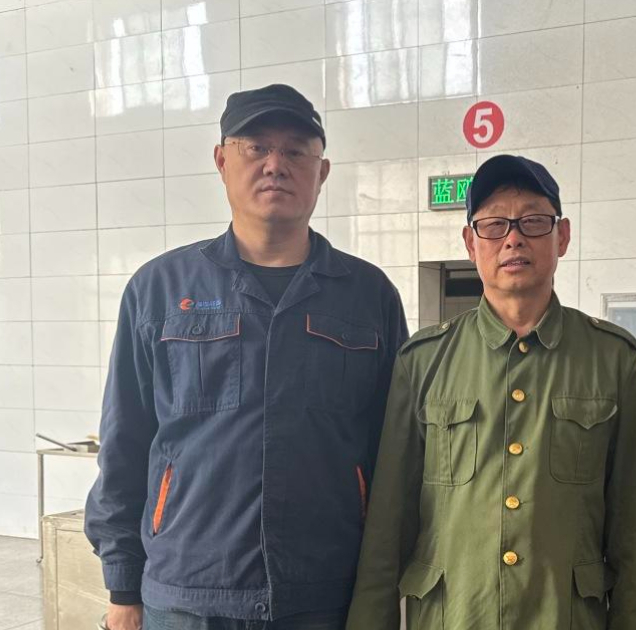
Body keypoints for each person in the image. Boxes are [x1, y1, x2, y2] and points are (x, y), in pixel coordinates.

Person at [85, 84, 408, 630]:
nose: (275, 165)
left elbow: (393, 450)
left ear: (322, 172)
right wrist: (122, 584)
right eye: (256, 148)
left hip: (326, 593)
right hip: (187, 595)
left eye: (296, 151)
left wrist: (383, 585)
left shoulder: (367, 295)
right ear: (221, 161)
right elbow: (126, 442)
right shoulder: (160, 289)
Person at [345, 155, 636, 630]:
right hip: (452, 617)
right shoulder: (423, 361)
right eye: (494, 225)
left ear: (563, 236)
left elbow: (633, 532)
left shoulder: (614, 359)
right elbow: (387, 529)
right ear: (470, 243)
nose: (513, 239)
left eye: (533, 221)